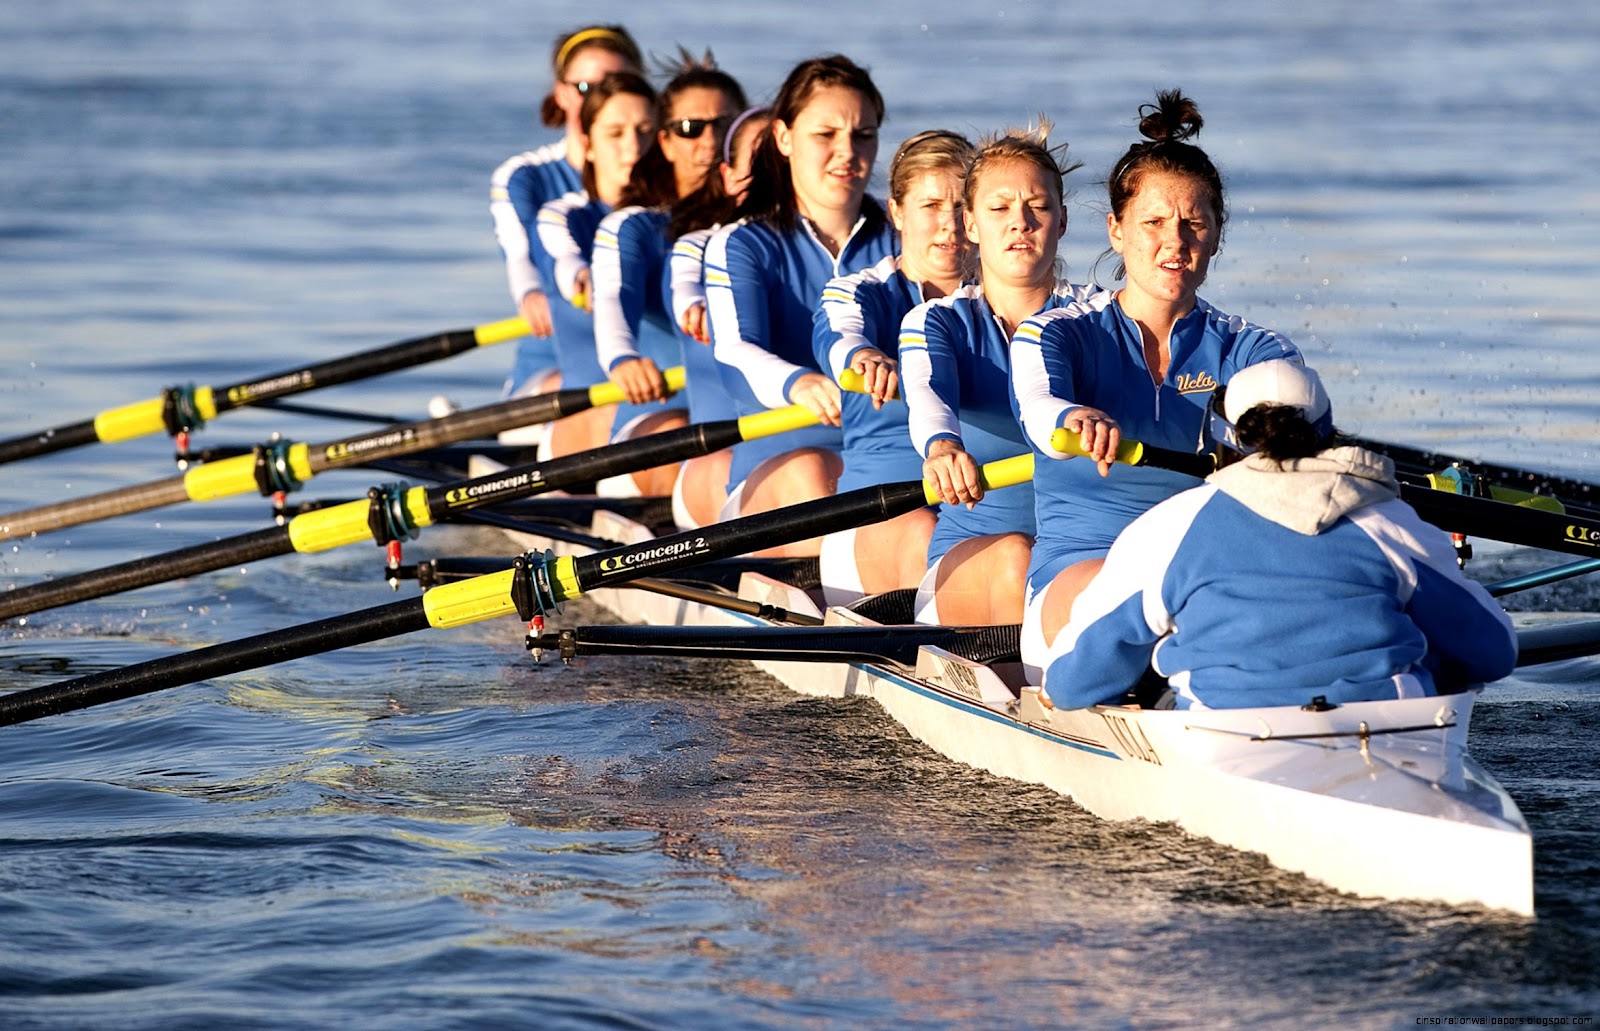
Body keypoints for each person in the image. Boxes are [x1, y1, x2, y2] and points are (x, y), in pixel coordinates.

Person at [1011, 89, 1300, 680]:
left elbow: (1293, 409)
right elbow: (1040, 405)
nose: (1176, 241)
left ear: (1218, 233)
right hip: (1079, 580)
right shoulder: (1056, 335)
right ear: (1116, 230)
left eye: (1195, 222)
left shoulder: (1254, 348)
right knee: (1155, 600)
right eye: (1154, 223)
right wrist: (1072, 420)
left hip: (1203, 579)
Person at [1041, 360, 1519, 710]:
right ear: (1329, 433)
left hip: (1226, 736)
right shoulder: (1388, 521)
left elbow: (1071, 685)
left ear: (1221, 440)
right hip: (1386, 727)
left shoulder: (1170, 526)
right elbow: (1493, 652)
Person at [900, 124, 1099, 626]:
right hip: (974, 560)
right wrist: (942, 448)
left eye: (1038, 206)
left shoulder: (1102, 318)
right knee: (1016, 555)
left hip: (1079, 556)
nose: (1020, 223)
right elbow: (927, 394)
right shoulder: (937, 322)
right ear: (970, 224)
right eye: (999, 208)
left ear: (1063, 221)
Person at [704, 55, 897, 557]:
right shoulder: (743, 244)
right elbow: (734, 355)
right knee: (815, 475)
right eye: (825, 135)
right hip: (780, 470)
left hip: (889, 467)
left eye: (864, 135)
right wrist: (799, 382)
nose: (847, 152)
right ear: (784, 138)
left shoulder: (908, 244)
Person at [811, 130, 975, 604]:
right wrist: (861, 358)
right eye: (930, 207)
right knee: (928, 533)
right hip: (871, 517)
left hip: (975, 508)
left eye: (964, 206)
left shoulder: (1011, 306)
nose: (950, 225)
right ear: (897, 212)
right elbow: (837, 337)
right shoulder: (858, 290)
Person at [589, 54, 747, 497]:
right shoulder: (633, 228)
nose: (712, 140)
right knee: (690, 437)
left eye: (725, 124)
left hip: (757, 425)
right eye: (691, 128)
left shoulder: (769, 229)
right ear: (665, 141)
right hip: (659, 413)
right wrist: (622, 358)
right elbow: (611, 302)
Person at [490, 25, 644, 403]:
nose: (604, 97)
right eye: (587, 88)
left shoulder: (665, 181)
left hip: (646, 365)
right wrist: (531, 293)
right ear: (561, 95)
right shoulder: (525, 178)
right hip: (555, 368)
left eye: (618, 82)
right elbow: (524, 262)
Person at [535, 71, 672, 460]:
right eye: (615, 134)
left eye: (645, 131)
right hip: (590, 423)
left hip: (674, 405)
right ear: (588, 144)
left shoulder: (679, 223)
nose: (633, 147)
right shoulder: (562, 217)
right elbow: (566, 264)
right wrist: (585, 280)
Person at [663, 105, 773, 527]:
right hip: (719, 463)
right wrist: (708, 308)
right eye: (760, 164)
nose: (773, 177)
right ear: (728, 178)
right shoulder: (699, 246)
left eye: (783, 162)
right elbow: (687, 296)